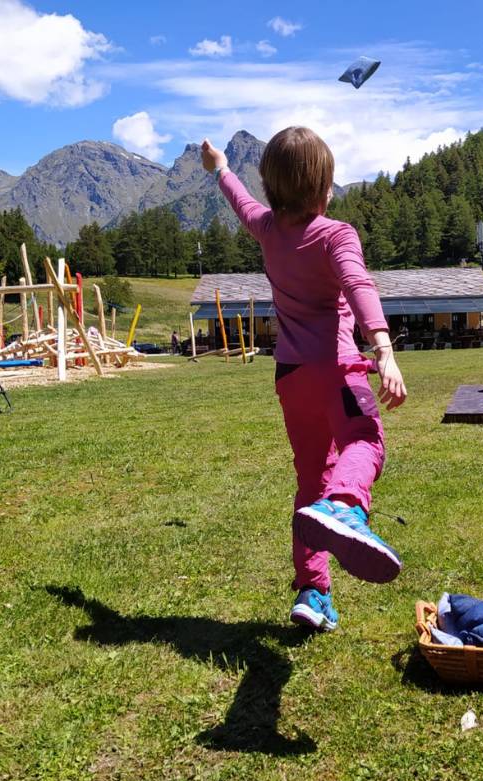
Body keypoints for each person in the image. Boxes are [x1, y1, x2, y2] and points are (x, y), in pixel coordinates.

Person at [202, 128, 407, 633]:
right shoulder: (337, 235)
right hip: (338, 369)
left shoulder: (267, 229)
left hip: (292, 377)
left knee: (312, 480)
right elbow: (358, 283)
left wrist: (221, 167)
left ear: (272, 186)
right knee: (365, 440)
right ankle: (346, 506)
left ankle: (314, 592)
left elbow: (239, 199)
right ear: (324, 188)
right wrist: (383, 348)